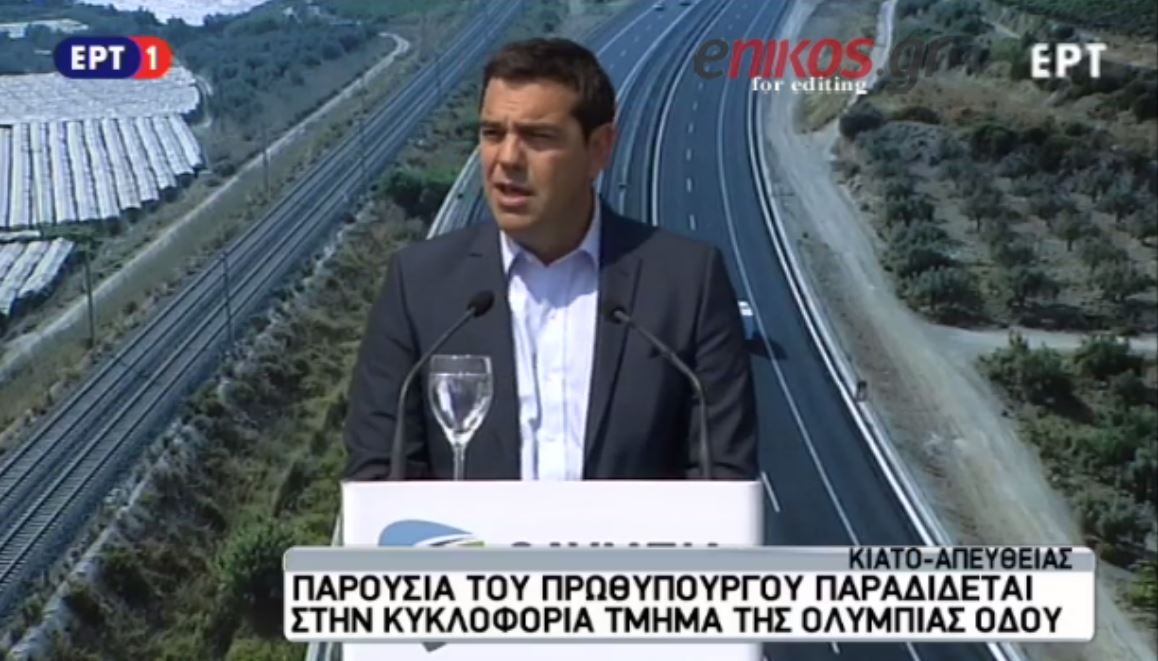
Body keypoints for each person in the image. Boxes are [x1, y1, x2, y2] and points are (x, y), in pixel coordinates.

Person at [342, 37, 757, 481]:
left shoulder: (687, 283)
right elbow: (380, 474)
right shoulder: (419, 285)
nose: (507, 159)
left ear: (599, 148)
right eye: (492, 134)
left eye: (538, 137)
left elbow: (722, 476)